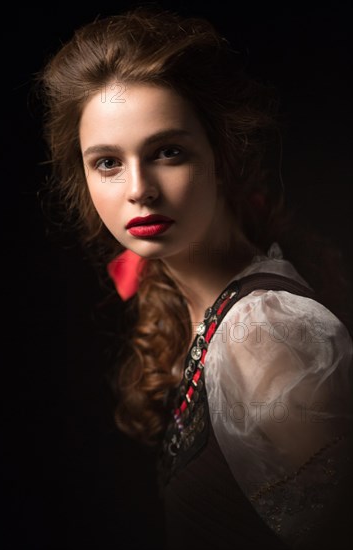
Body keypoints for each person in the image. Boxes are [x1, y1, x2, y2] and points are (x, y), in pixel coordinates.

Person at [37, 6, 353, 549]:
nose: (139, 188)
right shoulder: (185, 303)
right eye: (108, 162)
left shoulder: (266, 336)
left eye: (167, 152)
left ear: (221, 154)